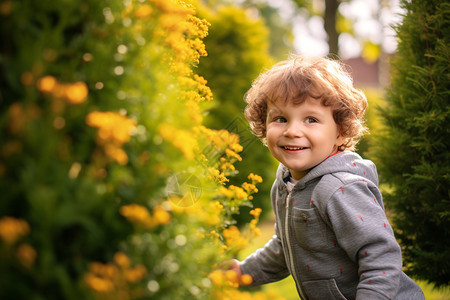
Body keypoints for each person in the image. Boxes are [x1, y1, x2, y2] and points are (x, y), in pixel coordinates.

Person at [228, 55, 424, 299]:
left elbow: (381, 258)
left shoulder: (339, 189)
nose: (292, 131)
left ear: (341, 132)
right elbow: (286, 246)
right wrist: (244, 271)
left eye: (311, 120)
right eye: (280, 119)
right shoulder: (286, 182)